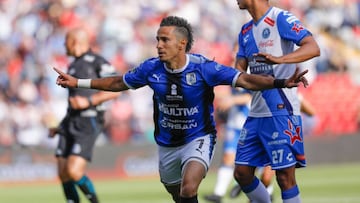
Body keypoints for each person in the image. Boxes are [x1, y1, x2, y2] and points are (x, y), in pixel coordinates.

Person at [53, 16, 308, 203]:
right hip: (166, 144)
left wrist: (281, 82)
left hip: (198, 138)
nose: (159, 45)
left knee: (189, 189)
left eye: (165, 40)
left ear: (181, 44)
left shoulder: (204, 68)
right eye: (157, 40)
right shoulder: (150, 68)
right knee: (179, 196)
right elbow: (118, 82)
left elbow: (245, 79)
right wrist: (77, 83)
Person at [233, 1, 320, 203]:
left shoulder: (281, 18)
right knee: (242, 173)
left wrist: (281, 60)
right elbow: (238, 71)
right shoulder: (245, 30)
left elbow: (313, 47)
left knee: (284, 177)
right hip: (255, 112)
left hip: (281, 111)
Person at [49, 27, 120, 203]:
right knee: (63, 173)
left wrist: (88, 102)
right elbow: (73, 101)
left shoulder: (98, 61)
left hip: (89, 120)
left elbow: (116, 90)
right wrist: (60, 125)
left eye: (66, 41)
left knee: (74, 171)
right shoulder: (73, 65)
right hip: (70, 121)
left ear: (74, 42)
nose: (64, 45)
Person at [204, 87, 252, 203]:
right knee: (227, 158)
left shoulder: (251, 75)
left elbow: (251, 96)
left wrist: (232, 100)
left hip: (248, 126)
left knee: (251, 162)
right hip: (233, 126)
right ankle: (218, 193)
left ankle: (264, 192)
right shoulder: (233, 78)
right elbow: (223, 92)